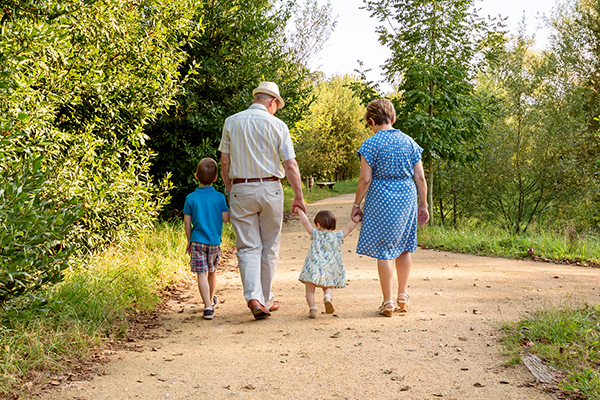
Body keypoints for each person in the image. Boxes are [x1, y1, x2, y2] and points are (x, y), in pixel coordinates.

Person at [219, 81, 306, 320]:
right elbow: (290, 164)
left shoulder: (231, 122)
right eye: (277, 105)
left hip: (240, 188)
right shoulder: (278, 125)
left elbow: (224, 162)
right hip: (270, 188)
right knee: (269, 246)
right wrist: (298, 196)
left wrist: (230, 190)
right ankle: (265, 298)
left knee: (247, 246)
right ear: (272, 102)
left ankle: (254, 297)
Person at [351, 99, 429, 317]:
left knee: (384, 250)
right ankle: (403, 295)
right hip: (406, 197)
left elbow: (364, 180)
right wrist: (423, 205)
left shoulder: (370, 144)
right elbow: (420, 178)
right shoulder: (410, 143)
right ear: (393, 119)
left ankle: (387, 302)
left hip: (380, 198)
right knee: (404, 246)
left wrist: (356, 205)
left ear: (372, 121)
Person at [183, 158, 230, 320]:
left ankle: (208, 306)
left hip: (197, 241)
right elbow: (226, 219)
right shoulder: (219, 198)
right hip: (214, 242)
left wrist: (189, 240)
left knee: (201, 274)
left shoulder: (190, 198)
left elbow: (187, 222)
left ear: (196, 176)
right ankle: (209, 301)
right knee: (212, 272)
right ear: (215, 179)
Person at [296, 209, 360, 318]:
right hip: (329, 269)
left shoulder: (315, 234)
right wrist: (357, 219)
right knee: (327, 287)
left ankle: (313, 309)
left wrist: (299, 210)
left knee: (309, 290)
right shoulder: (337, 236)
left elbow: (305, 222)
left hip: (313, 267)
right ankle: (327, 297)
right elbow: (348, 228)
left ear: (318, 225)